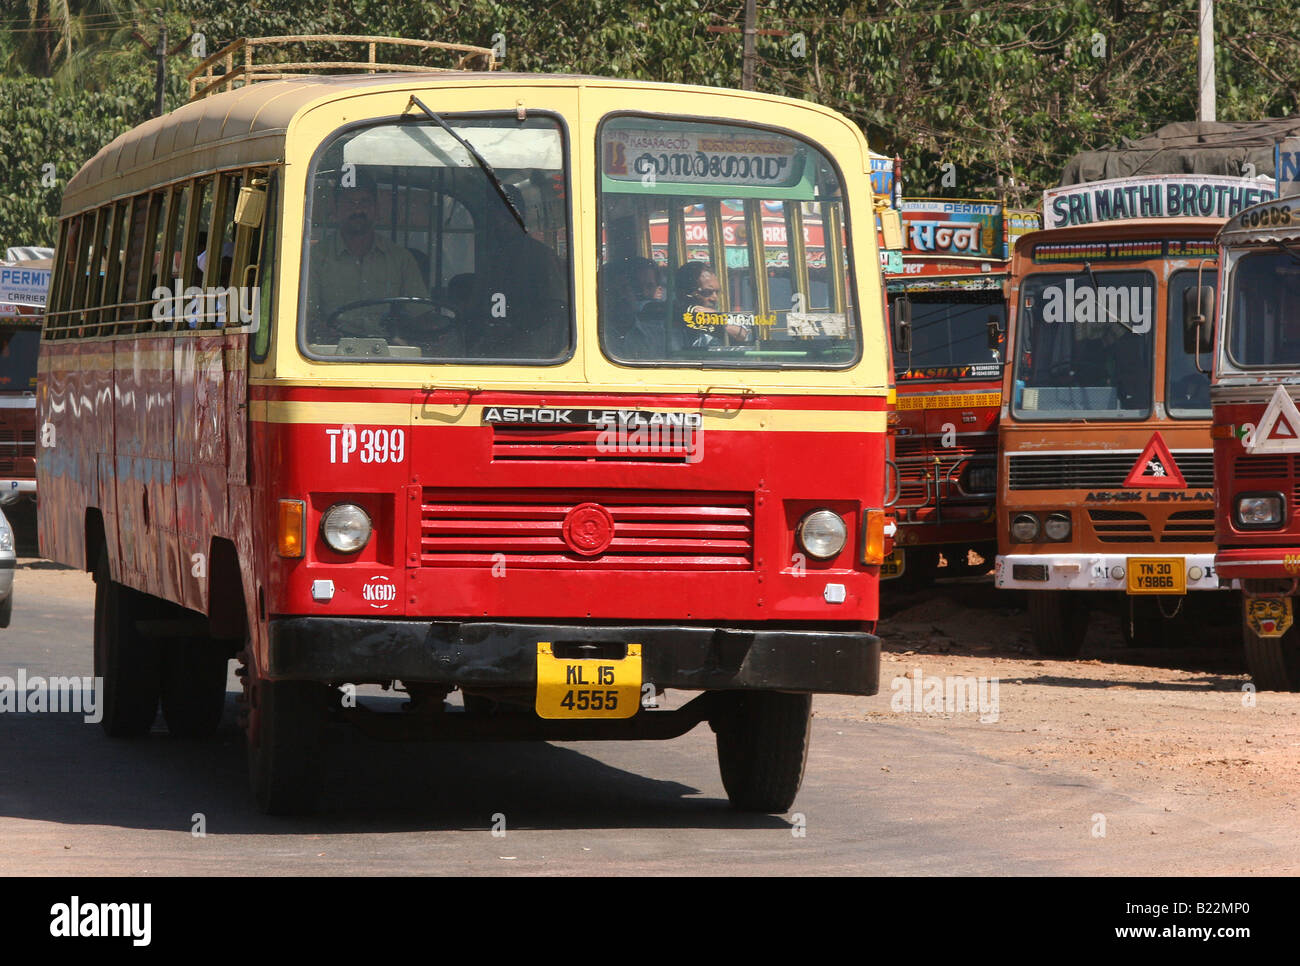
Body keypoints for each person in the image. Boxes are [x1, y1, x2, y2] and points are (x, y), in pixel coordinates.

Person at [306, 172, 429, 341]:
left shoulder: (400, 259)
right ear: (335, 209)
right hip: (331, 354)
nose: (358, 209)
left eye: (365, 202)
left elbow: (421, 315)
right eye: (349, 203)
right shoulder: (315, 258)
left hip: (391, 354)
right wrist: (320, 330)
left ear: (376, 209)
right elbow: (305, 317)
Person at [468, 183, 567, 358]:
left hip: (529, 354)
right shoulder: (492, 256)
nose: (497, 222)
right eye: (492, 214)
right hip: (490, 349)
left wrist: (518, 329)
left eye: (504, 215)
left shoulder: (540, 256)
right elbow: (480, 305)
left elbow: (556, 308)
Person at [673, 261, 748, 350]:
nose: (714, 298)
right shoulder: (670, 315)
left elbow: (741, 334)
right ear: (686, 293)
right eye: (707, 292)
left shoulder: (718, 318)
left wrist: (715, 321)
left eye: (717, 292)